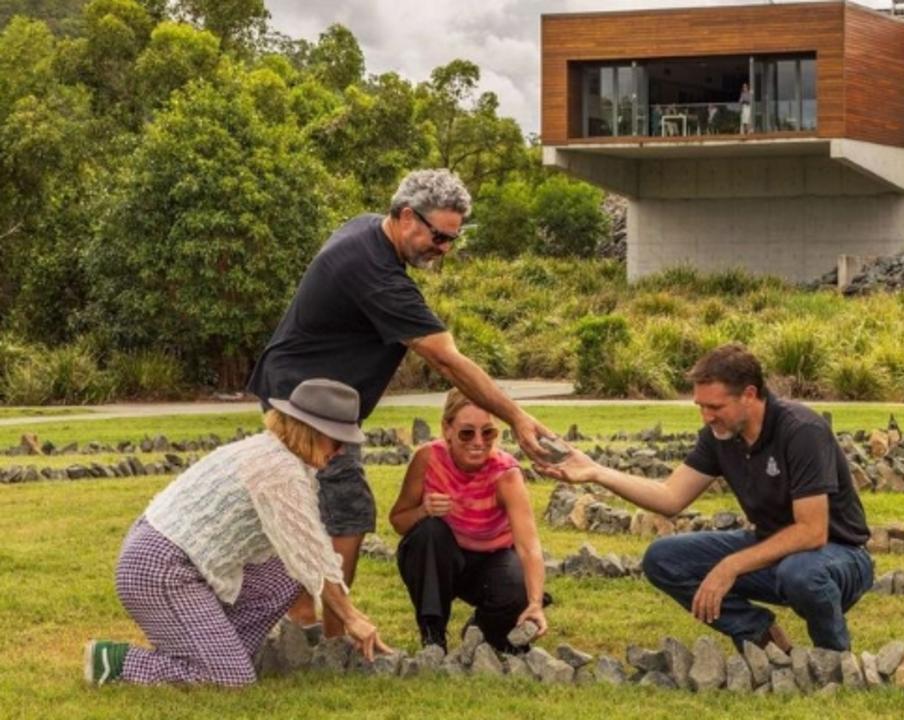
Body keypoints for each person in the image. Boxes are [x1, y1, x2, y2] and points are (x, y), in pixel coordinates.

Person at [246, 169, 554, 641]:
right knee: (346, 510)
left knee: (312, 511)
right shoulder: (375, 273)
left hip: (301, 395)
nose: (445, 248)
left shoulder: (366, 230)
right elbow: (448, 361)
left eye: (453, 238)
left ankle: (304, 619)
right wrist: (517, 417)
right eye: (438, 235)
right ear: (407, 216)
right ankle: (322, 633)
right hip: (304, 406)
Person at [537, 344, 873, 652]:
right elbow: (670, 497)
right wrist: (597, 472)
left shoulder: (801, 431)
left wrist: (730, 566)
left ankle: (833, 657)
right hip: (772, 548)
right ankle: (760, 636)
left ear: (750, 394)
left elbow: (812, 532)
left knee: (800, 573)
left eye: (715, 406)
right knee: (663, 558)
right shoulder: (720, 436)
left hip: (837, 555)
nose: (707, 416)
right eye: (700, 406)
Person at [85, 379, 390, 687]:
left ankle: (216, 648)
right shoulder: (277, 470)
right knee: (232, 679)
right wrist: (352, 618)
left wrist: (348, 611)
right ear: (309, 430)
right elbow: (312, 553)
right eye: (337, 442)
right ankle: (116, 661)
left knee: (287, 573)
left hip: (180, 562)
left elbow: (306, 555)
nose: (341, 452)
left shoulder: (281, 456)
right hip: (158, 569)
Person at [389, 389, 547, 652]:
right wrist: (422, 511)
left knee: (515, 589)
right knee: (429, 531)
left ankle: (481, 627)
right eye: (466, 433)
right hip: (441, 559)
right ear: (447, 429)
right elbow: (398, 520)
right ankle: (433, 636)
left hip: (491, 560)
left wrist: (535, 602)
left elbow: (529, 546)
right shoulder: (427, 458)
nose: (478, 442)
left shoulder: (506, 473)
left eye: (488, 433)